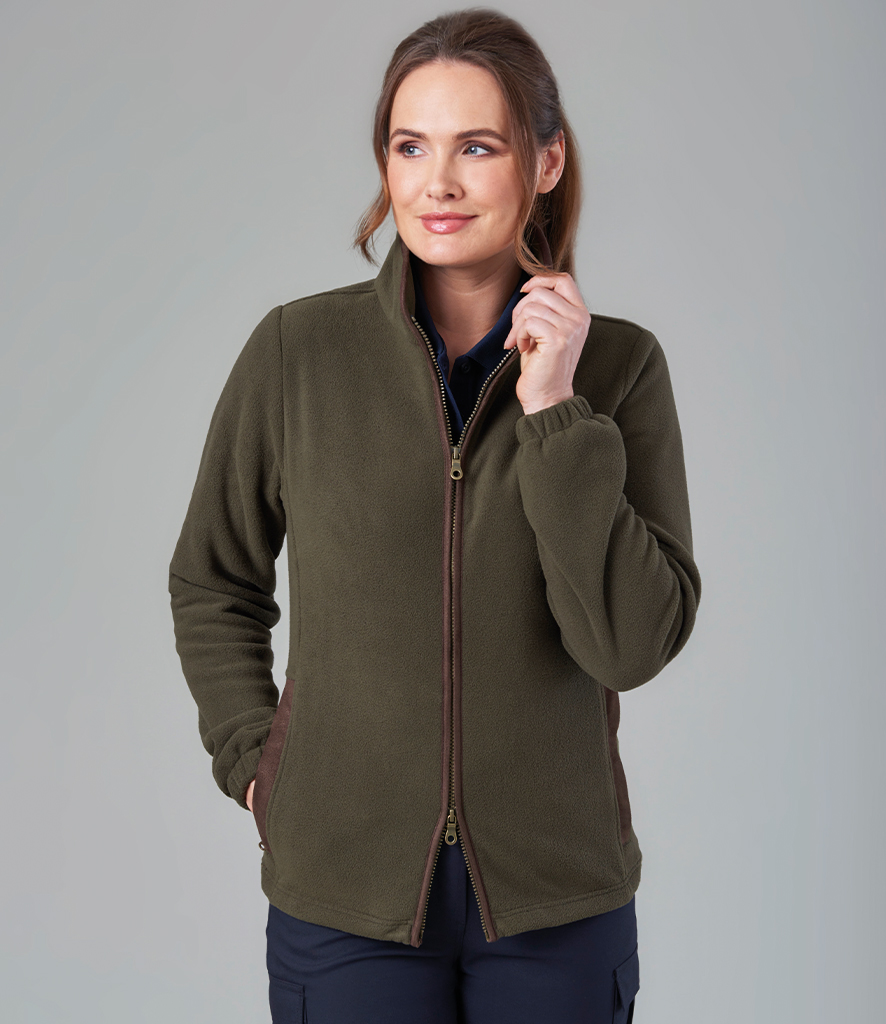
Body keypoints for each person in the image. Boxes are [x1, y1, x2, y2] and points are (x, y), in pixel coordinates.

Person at [168, 8, 702, 1022]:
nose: (437, 183)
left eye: (477, 147)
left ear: (546, 163)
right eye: (410, 146)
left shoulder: (620, 368)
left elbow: (630, 645)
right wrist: (256, 763)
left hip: (556, 899)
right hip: (345, 894)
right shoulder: (298, 353)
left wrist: (555, 410)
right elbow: (212, 578)